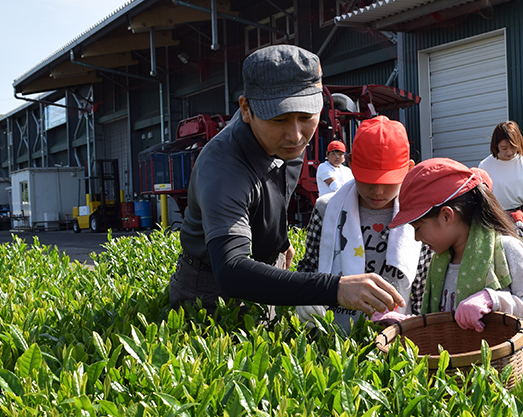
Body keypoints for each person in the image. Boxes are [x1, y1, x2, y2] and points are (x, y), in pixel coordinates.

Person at [168, 45, 403, 316]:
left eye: (306, 117)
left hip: (266, 273)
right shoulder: (223, 167)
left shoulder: (284, 142)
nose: (295, 135)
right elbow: (231, 270)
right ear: (246, 109)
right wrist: (336, 288)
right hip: (212, 290)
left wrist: (277, 240)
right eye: (279, 118)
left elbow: (273, 194)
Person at [383, 158, 523, 333]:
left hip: (501, 361)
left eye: (418, 228)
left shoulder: (506, 248)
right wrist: (408, 324)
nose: (416, 238)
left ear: (446, 216)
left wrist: (493, 300)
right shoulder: (439, 262)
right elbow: (448, 324)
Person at [296, 116, 432, 331]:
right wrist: (305, 296)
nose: (377, 191)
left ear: (409, 168)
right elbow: (310, 264)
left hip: (397, 335)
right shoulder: (327, 209)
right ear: (350, 164)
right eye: (367, 179)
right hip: (334, 337)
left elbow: (424, 283)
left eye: (388, 181)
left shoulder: (420, 214)